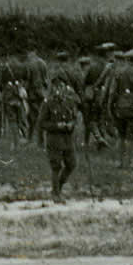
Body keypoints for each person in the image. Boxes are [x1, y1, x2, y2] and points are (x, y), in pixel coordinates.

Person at [40, 71, 81, 200]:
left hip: (67, 139)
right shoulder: (48, 103)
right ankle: (55, 192)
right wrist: (58, 126)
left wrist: (71, 124)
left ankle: (59, 186)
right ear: (53, 88)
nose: (58, 90)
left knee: (71, 164)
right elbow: (42, 123)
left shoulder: (69, 102)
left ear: (65, 88)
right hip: (54, 139)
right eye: (56, 87)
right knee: (56, 166)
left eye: (61, 87)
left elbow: (74, 117)